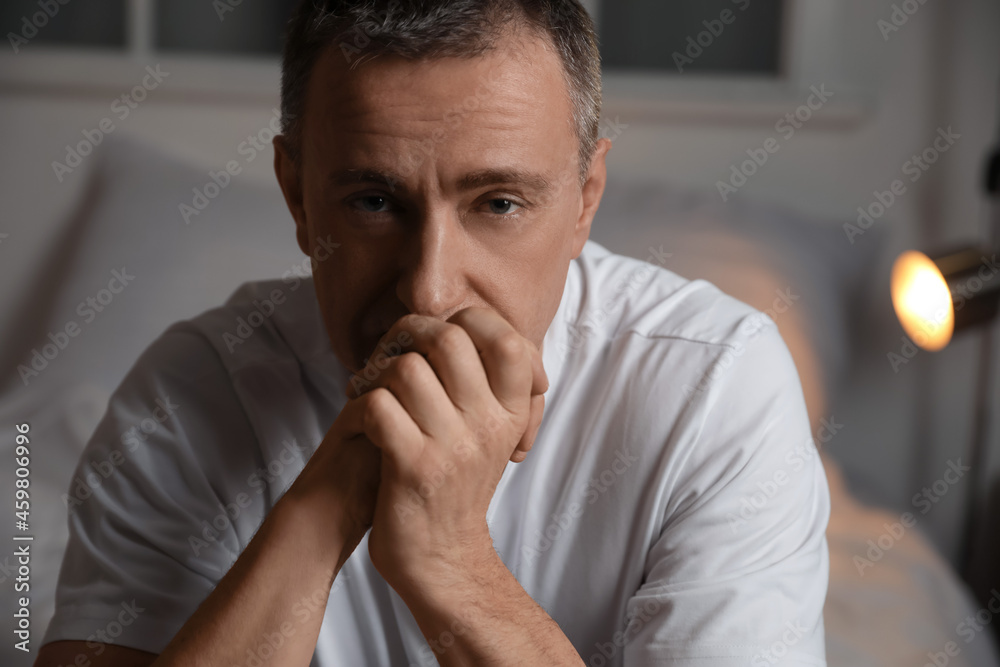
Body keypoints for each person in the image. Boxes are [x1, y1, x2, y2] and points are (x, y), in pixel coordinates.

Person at [35, 1, 830, 665]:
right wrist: (329, 500)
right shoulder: (188, 393)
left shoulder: (715, 382)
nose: (428, 286)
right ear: (297, 195)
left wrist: (450, 562)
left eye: (499, 203)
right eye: (374, 202)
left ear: (585, 199)